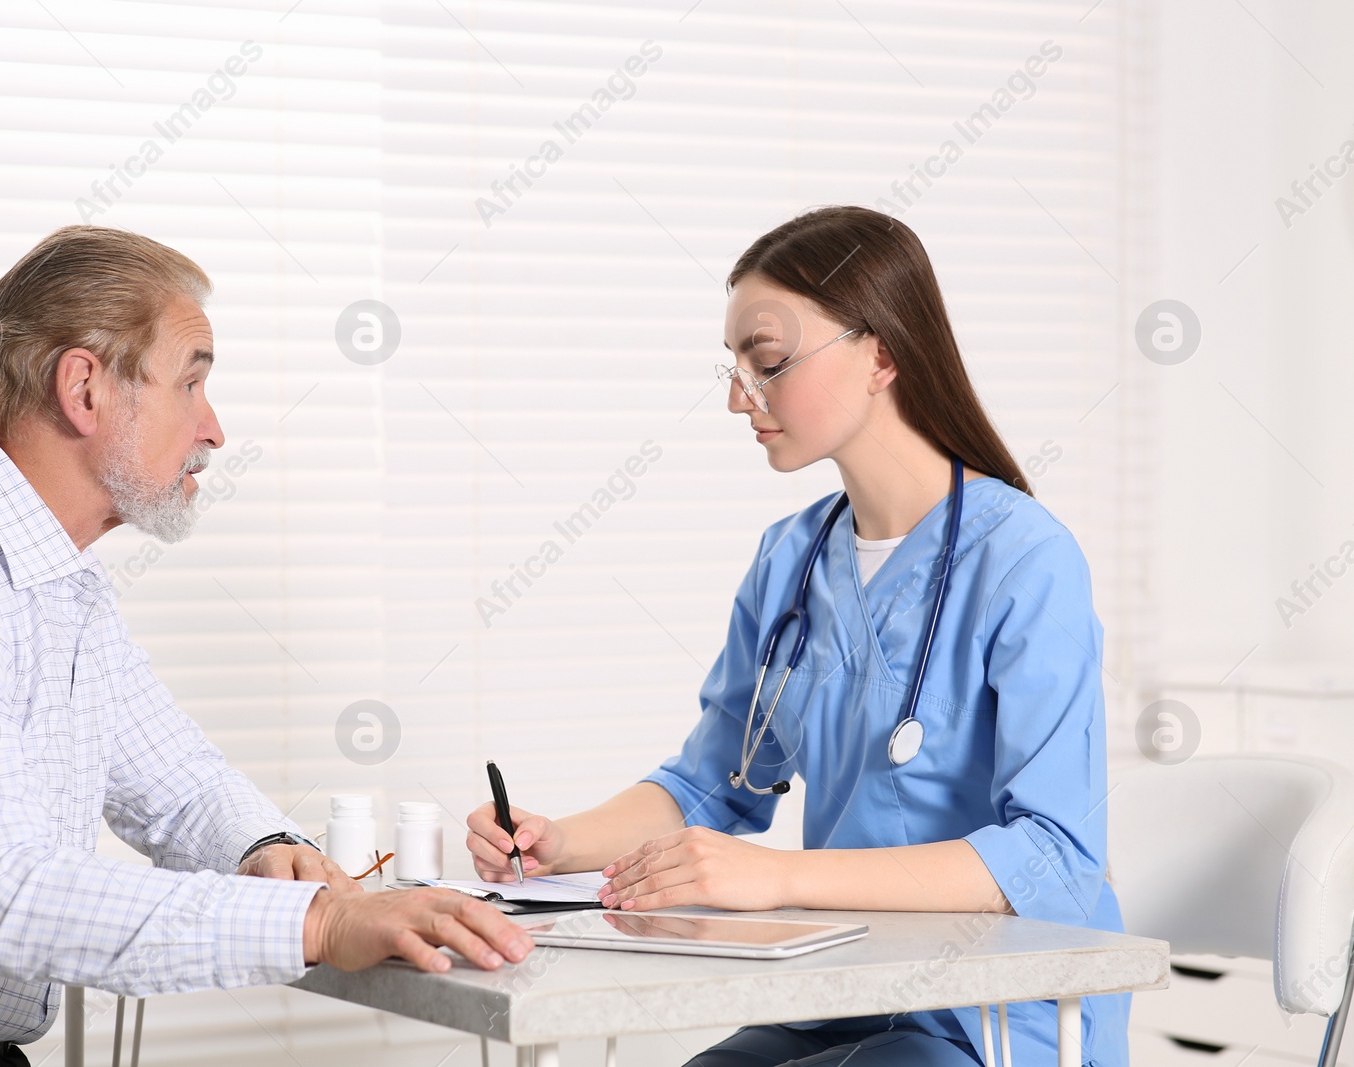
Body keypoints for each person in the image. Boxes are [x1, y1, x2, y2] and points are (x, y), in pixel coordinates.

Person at [0, 226, 531, 1065]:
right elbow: (3, 892)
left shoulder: (47, 570)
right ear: (84, 388)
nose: (213, 428)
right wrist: (318, 921)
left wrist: (266, 851)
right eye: (191, 382)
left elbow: (176, 783)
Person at [466, 206, 1124, 1067]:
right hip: (842, 990)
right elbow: (711, 786)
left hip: (989, 1009)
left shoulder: (1025, 558)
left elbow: (1052, 851)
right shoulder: (792, 560)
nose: (742, 394)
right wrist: (557, 842)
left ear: (882, 353)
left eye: (768, 361)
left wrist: (775, 877)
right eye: (735, 367)